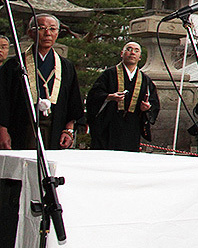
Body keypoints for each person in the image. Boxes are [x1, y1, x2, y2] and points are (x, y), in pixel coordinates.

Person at [0, 15, 82, 151]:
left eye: (52, 29)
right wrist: (2, 129)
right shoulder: (15, 64)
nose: (47, 33)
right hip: (22, 126)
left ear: (57, 33)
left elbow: (73, 100)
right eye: (41, 28)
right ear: (30, 32)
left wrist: (69, 130)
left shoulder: (66, 66)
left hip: (55, 126)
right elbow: (3, 100)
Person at [85, 41, 159, 151]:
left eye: (136, 51)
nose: (132, 53)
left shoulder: (145, 80)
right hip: (108, 125)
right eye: (129, 49)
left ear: (140, 57)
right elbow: (93, 95)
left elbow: (154, 104)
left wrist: (147, 108)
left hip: (132, 127)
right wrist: (109, 97)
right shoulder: (109, 74)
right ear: (122, 54)